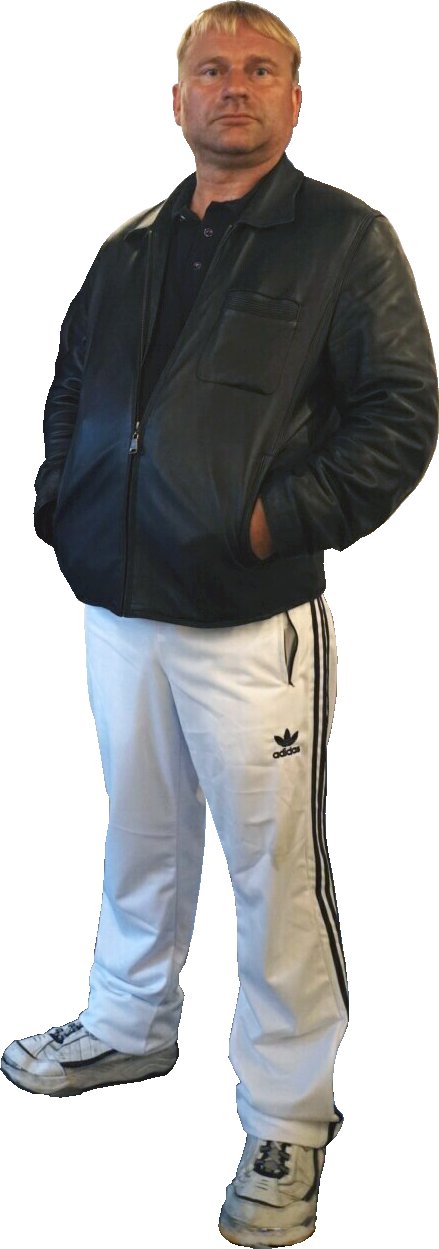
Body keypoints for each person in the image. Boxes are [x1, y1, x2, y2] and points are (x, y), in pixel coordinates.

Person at [2, 2, 437, 1244]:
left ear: (295, 99)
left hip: (251, 625)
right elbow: (73, 386)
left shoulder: (343, 241)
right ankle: (128, 1021)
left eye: (258, 69)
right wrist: (64, 503)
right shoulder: (131, 247)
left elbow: (400, 412)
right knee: (138, 832)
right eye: (210, 68)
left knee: (273, 868)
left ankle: (289, 1112)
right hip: (118, 605)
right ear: (176, 97)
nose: (231, 86)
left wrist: (267, 522)